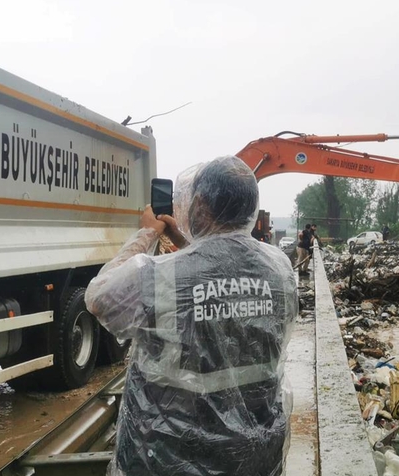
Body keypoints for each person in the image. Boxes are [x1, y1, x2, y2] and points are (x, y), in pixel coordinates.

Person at [85, 156, 298, 476]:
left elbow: (99, 298)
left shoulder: (163, 277)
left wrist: (148, 234)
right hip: (255, 458)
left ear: (199, 205)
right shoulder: (279, 269)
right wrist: (185, 242)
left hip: (167, 460)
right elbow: (224, 272)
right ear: (250, 209)